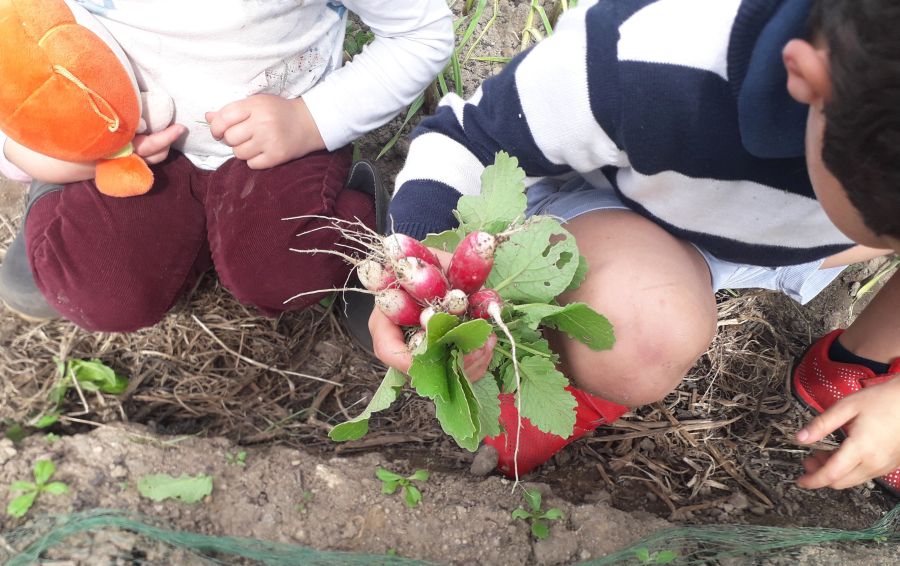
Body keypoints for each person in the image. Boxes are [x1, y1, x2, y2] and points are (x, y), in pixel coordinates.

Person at [369, 0, 900, 496]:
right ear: (809, 80)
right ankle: (583, 371)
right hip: (624, 206)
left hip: (796, 231)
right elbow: (469, 138)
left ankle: (853, 365)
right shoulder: (651, 57)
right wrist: (420, 258)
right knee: (641, 343)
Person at [0, 0, 453, 332]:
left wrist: (311, 119)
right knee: (105, 294)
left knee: (283, 276)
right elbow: (18, 40)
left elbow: (421, 33)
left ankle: (354, 213)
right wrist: (46, 155)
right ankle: (57, 197)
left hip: (278, 138)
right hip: (122, 148)